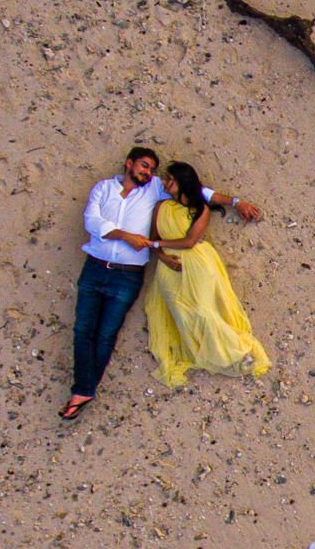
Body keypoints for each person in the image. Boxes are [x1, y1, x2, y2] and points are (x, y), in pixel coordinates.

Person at [63, 147, 260, 419]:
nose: (149, 172)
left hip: (127, 275)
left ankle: (83, 390)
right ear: (129, 164)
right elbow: (92, 221)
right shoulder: (103, 188)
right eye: (144, 166)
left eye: (153, 169)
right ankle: (84, 389)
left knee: (107, 333)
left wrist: (236, 202)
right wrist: (125, 236)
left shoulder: (154, 188)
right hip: (94, 269)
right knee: (83, 329)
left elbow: (199, 192)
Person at [142, 161, 273, 389]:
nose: (165, 183)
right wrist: (163, 256)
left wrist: (156, 243)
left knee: (203, 312)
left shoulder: (199, 209)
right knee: (183, 315)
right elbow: (153, 240)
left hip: (197, 263)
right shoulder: (161, 207)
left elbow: (190, 241)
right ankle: (205, 352)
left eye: (170, 179)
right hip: (168, 267)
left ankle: (236, 351)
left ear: (182, 183)